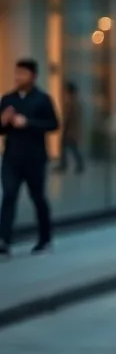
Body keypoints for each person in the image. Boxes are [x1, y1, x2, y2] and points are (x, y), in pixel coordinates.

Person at [0, 59, 60, 256]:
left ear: (33, 76)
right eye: (17, 73)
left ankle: (45, 239)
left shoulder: (42, 99)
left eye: (23, 74)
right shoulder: (8, 99)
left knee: (38, 198)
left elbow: (53, 124)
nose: (18, 77)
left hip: (34, 158)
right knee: (8, 196)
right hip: (11, 158)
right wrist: (4, 120)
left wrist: (28, 122)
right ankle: (4, 240)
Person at [59, 81, 85, 173]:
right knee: (72, 148)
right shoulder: (78, 103)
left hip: (70, 131)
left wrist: (62, 124)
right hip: (74, 130)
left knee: (70, 148)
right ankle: (75, 165)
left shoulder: (71, 103)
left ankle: (65, 165)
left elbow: (67, 117)